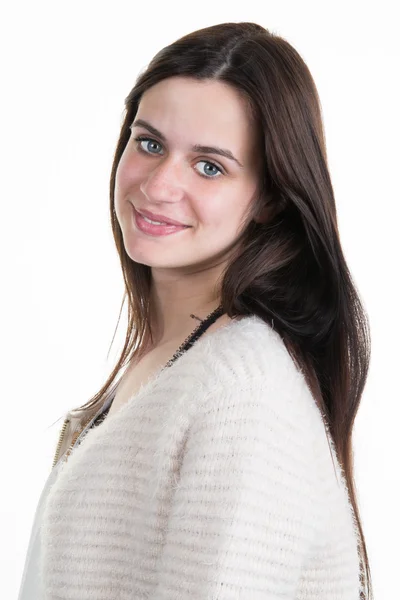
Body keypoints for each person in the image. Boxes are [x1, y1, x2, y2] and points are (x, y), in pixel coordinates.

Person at [18, 21, 373, 600]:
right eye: (149, 142)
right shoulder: (179, 360)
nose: (158, 185)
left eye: (209, 166)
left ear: (269, 200)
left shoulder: (241, 390)